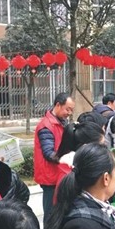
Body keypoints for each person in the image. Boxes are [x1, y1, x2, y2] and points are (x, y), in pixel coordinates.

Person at [33, 92, 75, 221]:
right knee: (51, 214)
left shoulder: (61, 123)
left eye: (71, 110)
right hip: (50, 177)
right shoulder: (46, 126)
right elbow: (48, 153)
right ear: (57, 105)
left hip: (59, 174)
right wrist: (64, 159)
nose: (69, 113)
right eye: (67, 109)